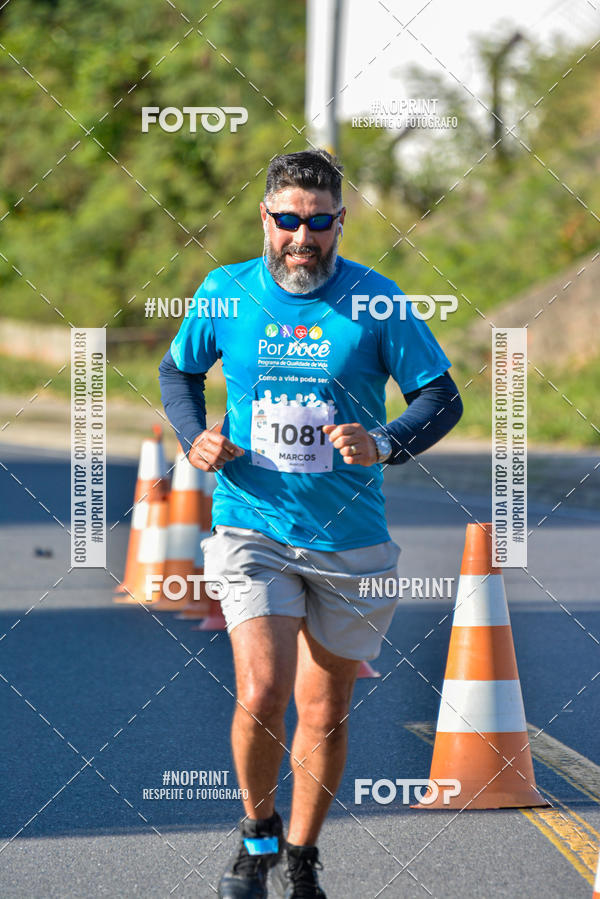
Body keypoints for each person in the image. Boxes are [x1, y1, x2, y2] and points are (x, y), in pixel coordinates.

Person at [159, 149, 463, 898]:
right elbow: (178, 371)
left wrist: (388, 440)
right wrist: (194, 433)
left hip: (348, 537)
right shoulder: (227, 291)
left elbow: (442, 397)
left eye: (318, 221)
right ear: (264, 217)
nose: (302, 236)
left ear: (340, 223)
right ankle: (256, 837)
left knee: (323, 709)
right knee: (263, 689)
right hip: (250, 522)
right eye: (288, 219)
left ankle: (302, 854)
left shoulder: (377, 301)